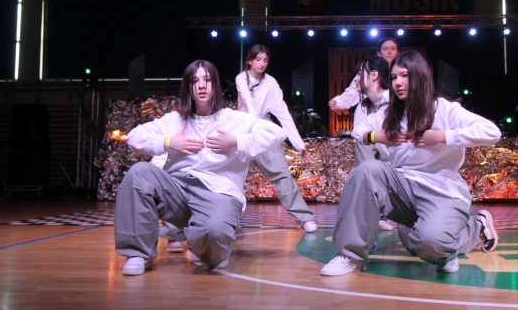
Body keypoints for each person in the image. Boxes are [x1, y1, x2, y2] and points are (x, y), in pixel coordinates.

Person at [320, 50, 502, 276]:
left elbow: (491, 132)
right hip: (404, 191)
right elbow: (359, 130)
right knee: (367, 170)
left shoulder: (443, 109)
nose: (397, 82)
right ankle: (350, 256)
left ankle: (475, 228)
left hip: (442, 192)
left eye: (404, 76)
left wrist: (441, 136)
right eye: (394, 77)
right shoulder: (391, 112)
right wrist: (377, 136)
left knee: (429, 245)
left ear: (419, 75)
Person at [115, 59, 287, 276]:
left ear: (215, 84)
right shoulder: (175, 120)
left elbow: (277, 132)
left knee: (213, 239)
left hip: (218, 193)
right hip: (177, 191)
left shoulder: (235, 119)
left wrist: (236, 141)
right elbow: (134, 137)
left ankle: (208, 245)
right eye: (194, 81)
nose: (201, 85)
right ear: (188, 87)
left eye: (207, 80)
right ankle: (137, 253)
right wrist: (169, 142)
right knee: (139, 173)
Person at [235, 44, 317, 232]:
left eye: (265, 60)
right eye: (258, 59)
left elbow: (283, 114)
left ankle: (304, 218)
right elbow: (247, 101)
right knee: (232, 177)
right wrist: (253, 124)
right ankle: (226, 220)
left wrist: (299, 144)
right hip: (242, 130)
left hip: (263, 129)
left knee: (281, 174)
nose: (262, 63)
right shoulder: (241, 78)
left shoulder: (271, 83)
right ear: (250, 60)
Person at [328, 37, 400, 231]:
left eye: (393, 48)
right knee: (366, 173)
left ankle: (389, 213)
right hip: (368, 132)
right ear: (378, 52)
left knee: (391, 171)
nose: (389, 52)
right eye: (385, 48)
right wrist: (339, 102)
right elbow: (352, 93)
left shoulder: (398, 77)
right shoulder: (367, 72)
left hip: (392, 138)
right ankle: (371, 217)